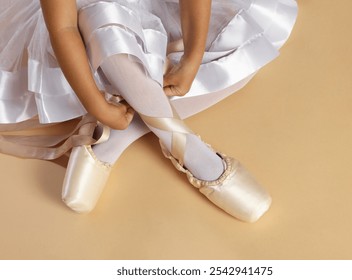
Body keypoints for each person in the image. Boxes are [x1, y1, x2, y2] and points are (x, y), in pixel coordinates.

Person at [0, 0, 298, 222]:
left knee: (247, 46)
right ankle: (189, 149)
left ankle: (113, 139)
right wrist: (97, 105)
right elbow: (63, 28)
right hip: (87, 26)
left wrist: (192, 60)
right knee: (102, 17)